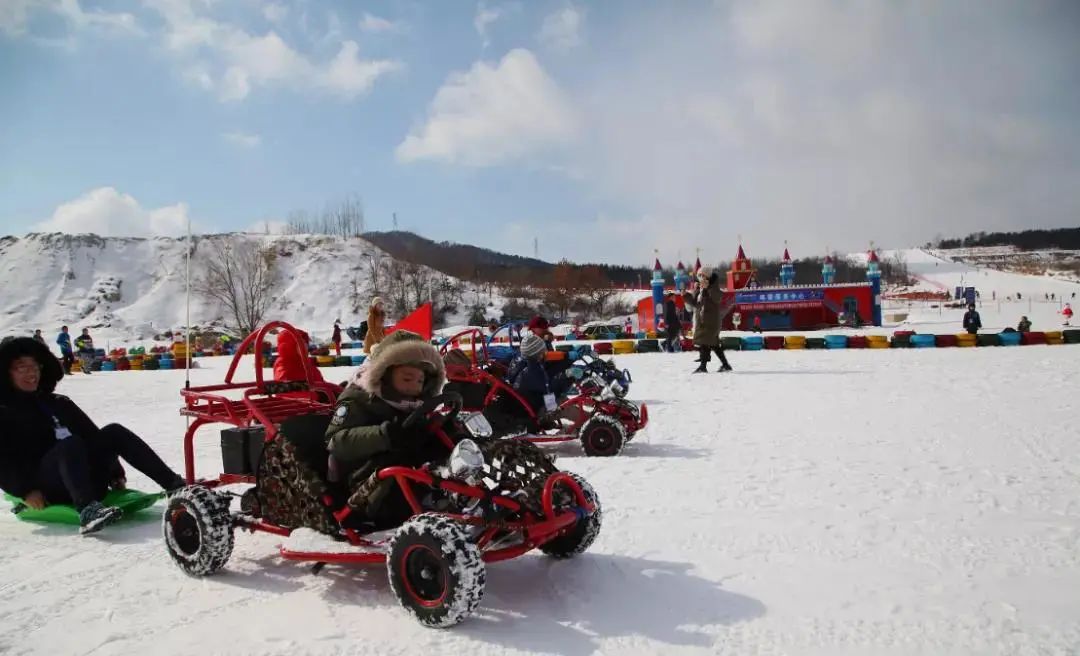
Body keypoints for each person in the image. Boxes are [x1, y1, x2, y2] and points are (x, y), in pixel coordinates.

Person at [0, 337, 185, 534]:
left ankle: (174, 486)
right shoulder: (4, 412)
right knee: (68, 444)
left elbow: (92, 436)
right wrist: (24, 491)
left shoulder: (59, 403)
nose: (31, 372)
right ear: (5, 373)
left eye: (35, 366)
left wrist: (115, 473)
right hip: (48, 490)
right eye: (22, 367)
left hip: (88, 481)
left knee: (113, 431)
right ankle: (87, 511)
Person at [324, 330, 454, 528]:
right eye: (407, 379)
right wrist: (384, 435)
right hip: (366, 485)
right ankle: (429, 505)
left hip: (406, 470)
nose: (414, 387)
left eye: (420, 381)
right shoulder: (358, 399)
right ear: (384, 374)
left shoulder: (412, 403)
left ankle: (471, 495)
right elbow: (336, 441)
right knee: (399, 462)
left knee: (446, 444)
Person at [683, 268, 732, 374]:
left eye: (703, 275)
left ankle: (703, 367)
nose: (700, 278)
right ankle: (725, 365)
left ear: (708, 276)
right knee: (713, 344)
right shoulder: (700, 289)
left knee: (705, 342)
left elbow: (717, 297)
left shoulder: (714, 287)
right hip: (703, 321)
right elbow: (696, 304)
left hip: (711, 321)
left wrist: (708, 288)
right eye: (699, 276)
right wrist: (686, 296)